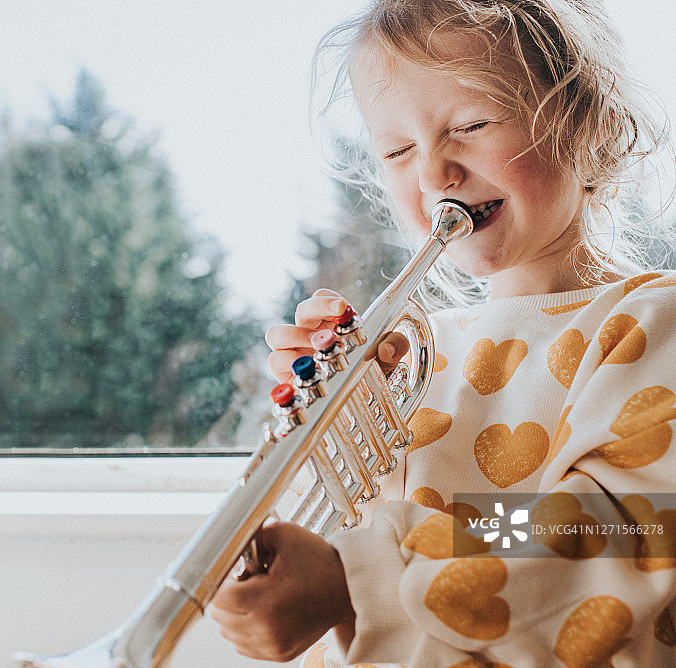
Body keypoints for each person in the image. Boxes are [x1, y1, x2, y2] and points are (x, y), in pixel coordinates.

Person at [211, 0, 676, 665]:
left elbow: (609, 535)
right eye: (397, 150)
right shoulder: (414, 355)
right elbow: (367, 547)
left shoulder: (656, 322)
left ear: (587, 122)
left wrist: (355, 580)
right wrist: (341, 433)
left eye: (471, 124)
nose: (432, 174)